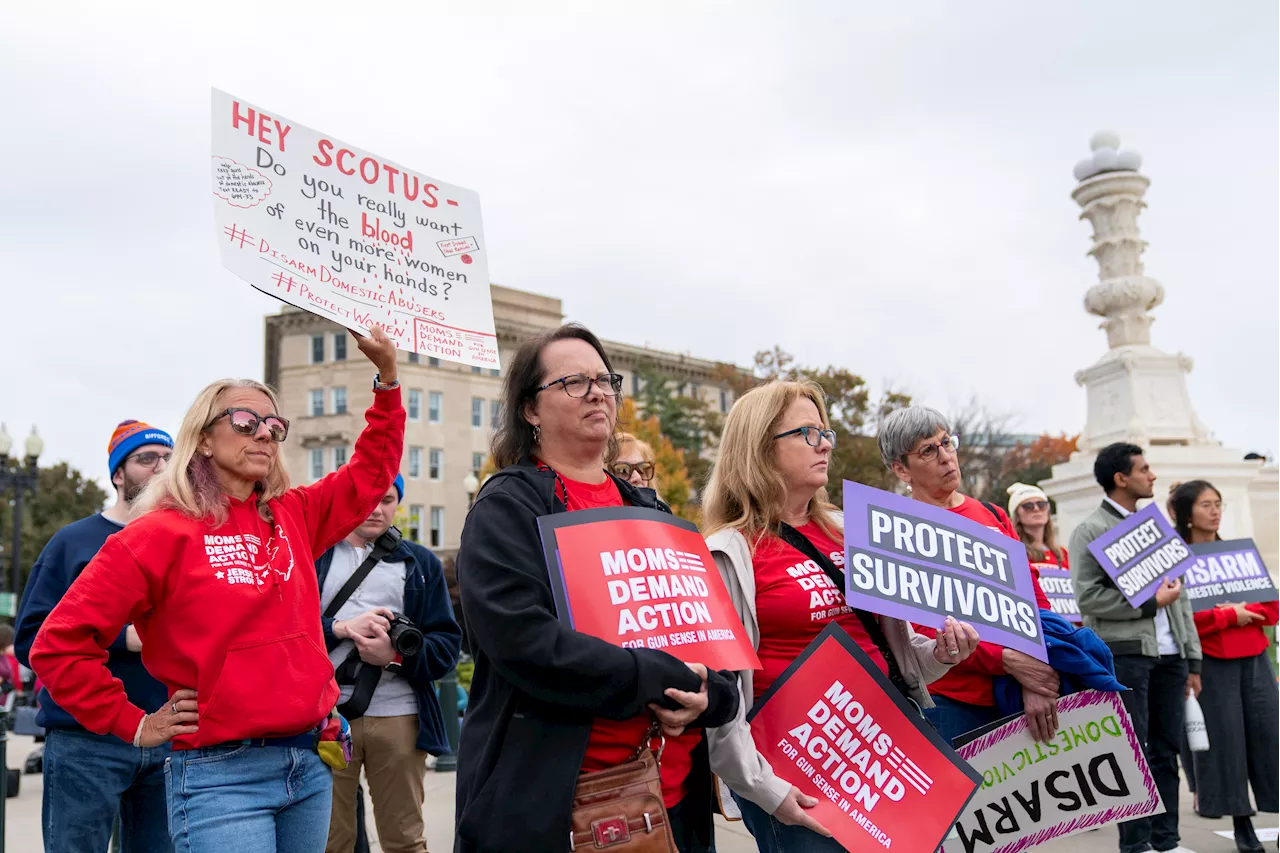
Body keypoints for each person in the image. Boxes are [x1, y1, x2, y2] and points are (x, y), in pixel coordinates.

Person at [29, 327, 405, 853]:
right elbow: (57, 643)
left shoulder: (294, 514)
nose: (264, 435)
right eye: (246, 421)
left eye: (275, 426)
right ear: (203, 438)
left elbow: (370, 474)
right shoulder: (158, 533)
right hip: (219, 774)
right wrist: (134, 724)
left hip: (310, 764)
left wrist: (387, 381)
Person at [454, 323, 740, 853]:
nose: (596, 391)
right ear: (530, 410)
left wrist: (710, 695)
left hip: (673, 804)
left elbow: (710, 642)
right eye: (572, 382)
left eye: (604, 379)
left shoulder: (652, 512)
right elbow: (522, 641)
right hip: (561, 808)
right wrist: (656, 677)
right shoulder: (507, 509)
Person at [702, 381, 980, 851]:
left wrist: (942, 654)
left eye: (825, 430)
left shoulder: (853, 532)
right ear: (759, 447)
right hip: (799, 773)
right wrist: (764, 789)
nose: (826, 443)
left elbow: (902, 653)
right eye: (808, 433)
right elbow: (719, 692)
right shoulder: (727, 552)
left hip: (886, 757)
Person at [14, 420, 173, 853]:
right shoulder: (74, 544)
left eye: (168, 458)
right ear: (118, 474)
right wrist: (124, 638)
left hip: (168, 735)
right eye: (146, 459)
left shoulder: (181, 543)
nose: (161, 467)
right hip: (85, 740)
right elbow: (31, 640)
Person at [877, 407, 1061, 744]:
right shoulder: (893, 532)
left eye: (947, 443)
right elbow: (918, 631)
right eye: (928, 451)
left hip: (1016, 691)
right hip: (949, 702)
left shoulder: (991, 514)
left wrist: (1034, 672)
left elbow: (1033, 598)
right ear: (902, 469)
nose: (947, 457)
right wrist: (1008, 662)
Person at [317, 472, 462, 853]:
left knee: (405, 841)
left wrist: (394, 657)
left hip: (399, 717)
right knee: (330, 842)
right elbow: (285, 632)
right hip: (325, 718)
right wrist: (341, 628)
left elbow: (446, 649)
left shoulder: (420, 563)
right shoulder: (314, 556)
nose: (377, 509)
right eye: (367, 497)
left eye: (387, 500)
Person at [1069, 442, 1202, 853]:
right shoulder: (1089, 530)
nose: (1153, 475)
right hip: (1126, 654)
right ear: (1121, 478)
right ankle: (1136, 844)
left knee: (1166, 750)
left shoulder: (1155, 526)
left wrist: (1191, 656)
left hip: (1171, 656)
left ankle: (1167, 841)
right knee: (1132, 751)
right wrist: (1148, 603)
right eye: (1145, 469)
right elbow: (1088, 598)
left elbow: (1182, 597)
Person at [1172, 480, 1279, 853]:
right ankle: (1242, 824)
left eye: (1218, 503)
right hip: (1212, 665)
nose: (1215, 511)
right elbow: (1184, 618)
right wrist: (1229, 615)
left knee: (1271, 738)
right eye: (1205, 505)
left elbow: (1271, 608)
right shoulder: (1178, 560)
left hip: (1255, 660)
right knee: (1227, 745)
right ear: (1187, 514)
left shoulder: (1239, 553)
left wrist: (1225, 615)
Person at [1008, 482, 1077, 622]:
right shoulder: (1015, 552)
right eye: (1027, 506)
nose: (1036, 509)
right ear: (1017, 515)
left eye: (1041, 504)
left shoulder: (1062, 552)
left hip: (1069, 626)